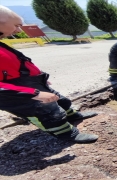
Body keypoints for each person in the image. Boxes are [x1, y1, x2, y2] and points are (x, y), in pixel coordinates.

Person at [0, 5, 98, 143]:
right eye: (16, 25)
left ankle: (73, 116)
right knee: (47, 111)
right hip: (14, 94)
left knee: (61, 100)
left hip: (28, 83)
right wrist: (34, 93)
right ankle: (67, 134)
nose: (18, 29)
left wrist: (38, 79)